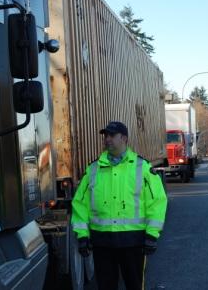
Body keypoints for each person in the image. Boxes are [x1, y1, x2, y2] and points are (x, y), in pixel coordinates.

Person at [71, 121, 168, 290]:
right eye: (105, 136)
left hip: (133, 241)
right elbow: (80, 203)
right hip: (102, 242)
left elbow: (157, 201)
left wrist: (152, 235)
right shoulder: (93, 169)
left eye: (111, 135)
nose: (107, 139)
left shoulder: (142, 167)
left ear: (123, 138)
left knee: (134, 286)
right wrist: (82, 235)